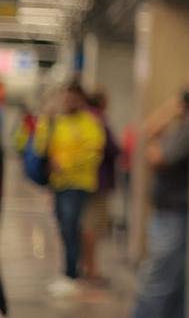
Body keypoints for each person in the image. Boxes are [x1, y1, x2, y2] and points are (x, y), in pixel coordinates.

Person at [33, 81, 106, 298]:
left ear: (81, 100)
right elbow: (40, 146)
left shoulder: (90, 123)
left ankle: (71, 274)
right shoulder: (55, 121)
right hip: (58, 183)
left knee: (70, 225)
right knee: (63, 226)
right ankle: (70, 270)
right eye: (65, 96)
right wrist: (46, 119)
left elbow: (94, 152)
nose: (68, 101)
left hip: (79, 183)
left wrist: (67, 164)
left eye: (73, 97)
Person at [132, 88, 189, 318]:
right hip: (167, 212)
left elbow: (158, 158)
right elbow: (148, 129)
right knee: (164, 279)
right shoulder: (182, 124)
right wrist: (173, 108)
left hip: (174, 214)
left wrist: (153, 151)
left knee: (157, 281)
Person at [81, 90, 120, 282]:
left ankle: (86, 265)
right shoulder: (98, 121)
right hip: (98, 181)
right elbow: (112, 148)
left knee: (87, 224)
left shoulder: (83, 119)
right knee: (92, 226)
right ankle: (92, 268)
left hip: (84, 181)